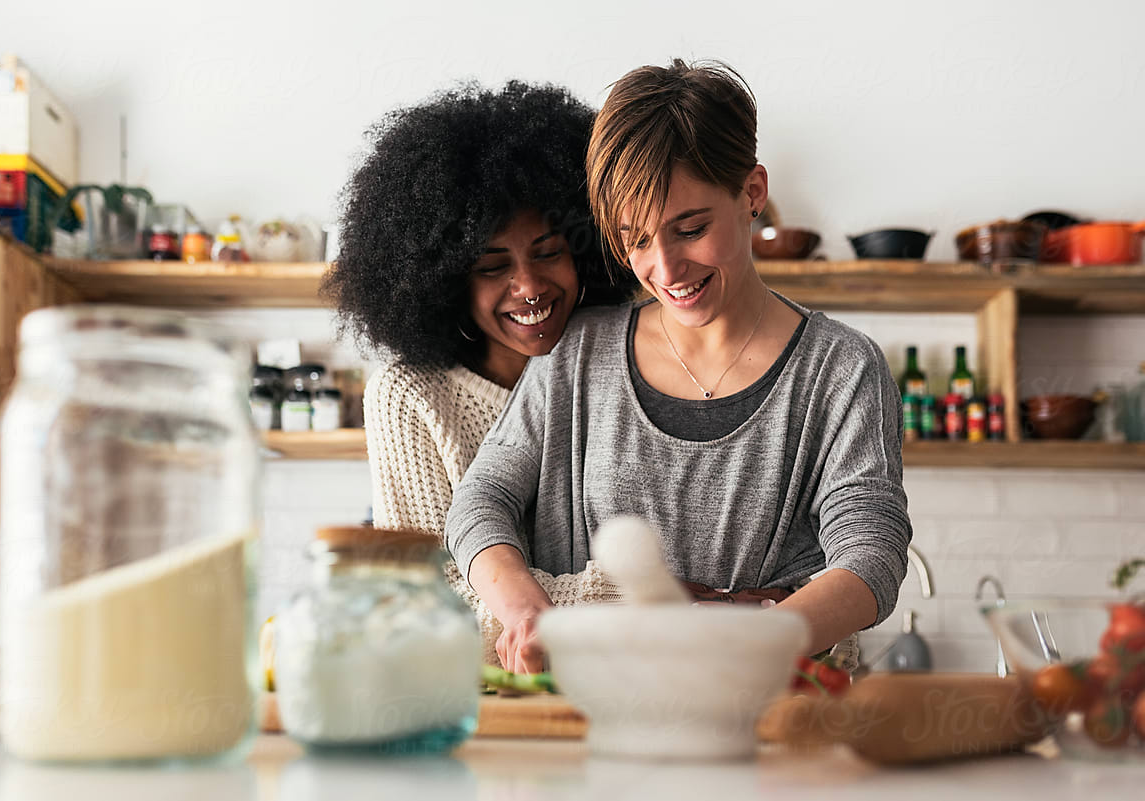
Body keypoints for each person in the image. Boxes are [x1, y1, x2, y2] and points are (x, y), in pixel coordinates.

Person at [446, 60, 912, 674]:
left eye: (689, 229)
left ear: (752, 192)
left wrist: (763, 640)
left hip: (767, 710)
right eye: (635, 239)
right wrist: (521, 606)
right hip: (591, 709)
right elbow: (482, 499)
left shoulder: (841, 369)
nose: (665, 270)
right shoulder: (580, 352)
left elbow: (872, 551)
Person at [323, 81, 637, 666]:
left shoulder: (626, 359)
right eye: (494, 267)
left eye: (547, 253)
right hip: (490, 697)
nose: (530, 287)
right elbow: (424, 602)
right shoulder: (412, 395)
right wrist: (626, 599)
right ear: (443, 282)